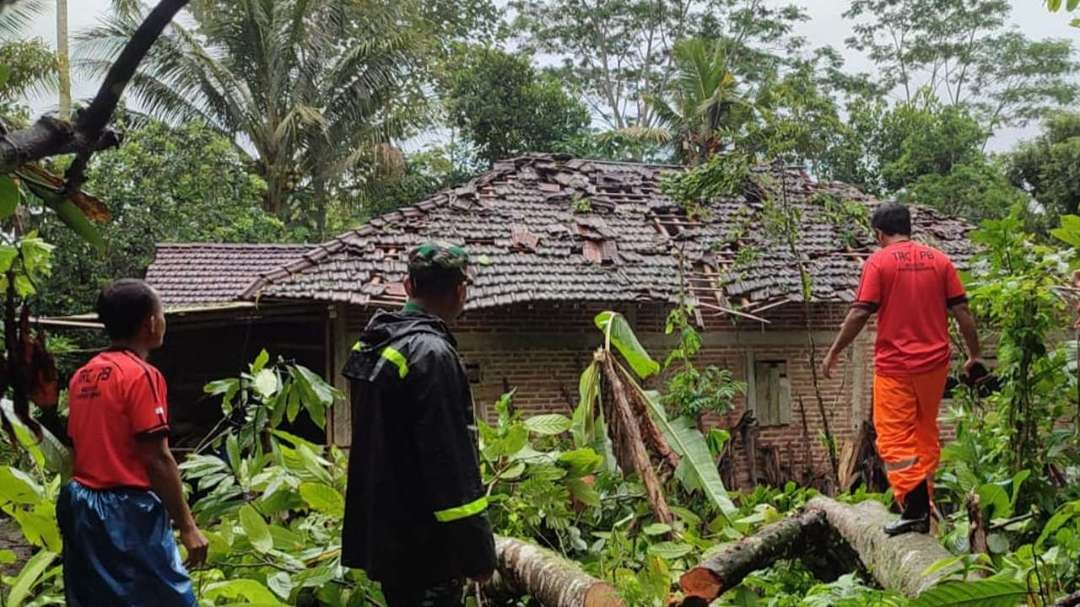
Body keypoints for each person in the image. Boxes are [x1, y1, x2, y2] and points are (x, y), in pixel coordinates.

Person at [341, 242, 496, 607]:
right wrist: (478, 553)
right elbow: (449, 466)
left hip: (387, 541)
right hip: (426, 551)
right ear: (461, 291)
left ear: (408, 286)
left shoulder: (379, 344)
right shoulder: (432, 355)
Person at [822, 203, 981, 536]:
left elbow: (859, 313)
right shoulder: (940, 260)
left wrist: (835, 350)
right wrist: (974, 354)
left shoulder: (878, 262)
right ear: (908, 228)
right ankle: (927, 501)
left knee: (894, 439)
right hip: (935, 366)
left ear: (879, 233)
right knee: (924, 431)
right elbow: (962, 311)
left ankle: (916, 509)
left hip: (896, 367)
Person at [58, 279, 208, 606]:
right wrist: (187, 526)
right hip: (126, 509)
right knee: (170, 599)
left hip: (81, 502)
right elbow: (157, 458)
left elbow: (78, 443)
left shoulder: (83, 374)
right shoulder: (142, 375)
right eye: (162, 312)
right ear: (150, 323)